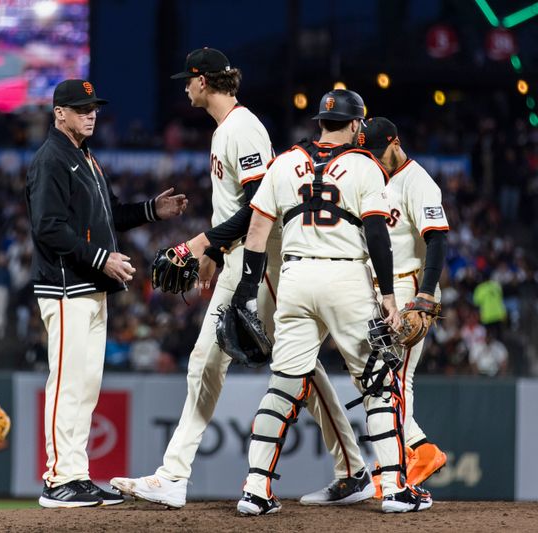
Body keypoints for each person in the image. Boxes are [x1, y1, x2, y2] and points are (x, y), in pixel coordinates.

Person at [110, 50, 373, 510]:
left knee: (247, 364)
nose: (183, 87)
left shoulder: (242, 127)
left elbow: (258, 207)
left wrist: (197, 245)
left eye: (187, 79)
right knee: (287, 364)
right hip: (244, 257)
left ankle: (174, 475)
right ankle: (351, 469)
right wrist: (214, 249)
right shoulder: (227, 129)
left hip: (264, 261)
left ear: (204, 81)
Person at [230, 89, 432, 515]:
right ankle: (395, 488)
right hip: (345, 276)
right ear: (357, 124)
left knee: (284, 385)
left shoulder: (283, 162)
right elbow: (377, 234)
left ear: (320, 122)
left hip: (295, 277)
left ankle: (255, 489)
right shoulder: (365, 166)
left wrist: (246, 294)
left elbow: (256, 234)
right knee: (378, 382)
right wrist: (390, 297)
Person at [26, 79, 187, 508]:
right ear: (59, 113)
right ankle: (58, 479)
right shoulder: (53, 159)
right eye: (81, 108)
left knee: (86, 385)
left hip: (90, 289)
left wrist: (153, 210)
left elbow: (111, 214)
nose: (90, 113)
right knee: (67, 382)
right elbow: (48, 226)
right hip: (65, 287)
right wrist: (101, 258)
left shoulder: (84, 157)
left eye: (93, 106)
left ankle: (75, 475)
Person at [347, 117, 449, 495]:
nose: (373, 158)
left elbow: (437, 240)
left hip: (409, 288)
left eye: (377, 151)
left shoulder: (418, 180)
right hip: (377, 289)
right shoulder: (370, 177)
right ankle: (421, 450)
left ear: (395, 142)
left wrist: (425, 294)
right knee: (373, 379)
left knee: (396, 380)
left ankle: (401, 463)